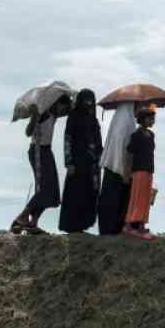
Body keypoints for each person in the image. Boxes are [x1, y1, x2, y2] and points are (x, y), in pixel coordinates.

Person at [10, 95, 72, 235]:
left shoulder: (54, 114)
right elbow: (28, 133)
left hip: (47, 151)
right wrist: (34, 117)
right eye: (64, 107)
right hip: (37, 151)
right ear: (57, 104)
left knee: (53, 193)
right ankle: (21, 218)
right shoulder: (43, 113)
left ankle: (33, 223)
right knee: (45, 189)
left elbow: (69, 110)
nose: (65, 111)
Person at [58, 89, 104, 234]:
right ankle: (72, 226)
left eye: (91, 100)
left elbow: (98, 142)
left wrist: (101, 159)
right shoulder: (73, 117)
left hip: (92, 165)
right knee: (75, 194)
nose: (89, 103)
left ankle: (83, 225)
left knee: (90, 194)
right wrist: (69, 162)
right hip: (77, 164)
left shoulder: (94, 120)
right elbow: (67, 140)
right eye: (86, 100)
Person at [98, 102, 138, 235]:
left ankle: (107, 229)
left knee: (109, 199)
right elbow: (126, 148)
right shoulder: (128, 122)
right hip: (121, 168)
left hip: (112, 165)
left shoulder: (118, 119)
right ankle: (113, 229)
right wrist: (126, 171)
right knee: (117, 200)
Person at [123, 106, 157, 240]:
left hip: (149, 170)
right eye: (150, 118)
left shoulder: (151, 135)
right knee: (137, 198)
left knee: (146, 199)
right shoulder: (136, 135)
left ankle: (141, 226)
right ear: (142, 119)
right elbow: (130, 154)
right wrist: (127, 172)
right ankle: (129, 226)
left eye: (153, 118)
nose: (152, 121)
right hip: (138, 171)